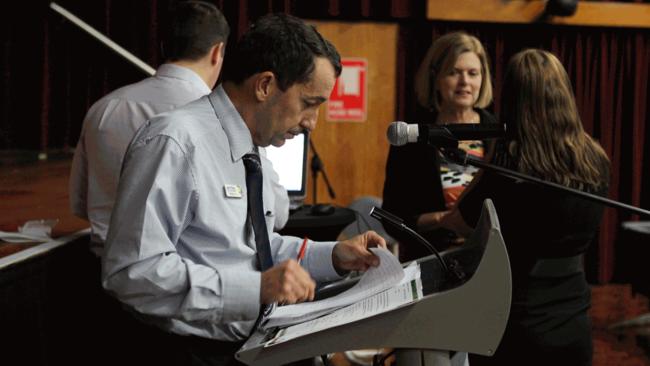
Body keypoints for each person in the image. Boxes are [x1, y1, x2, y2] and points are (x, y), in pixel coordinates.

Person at [102, 13, 386, 366]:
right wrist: (255, 289)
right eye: (309, 103)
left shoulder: (253, 150)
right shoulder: (175, 141)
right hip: (188, 352)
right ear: (265, 85)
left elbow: (254, 249)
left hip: (248, 346)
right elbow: (132, 273)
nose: (312, 123)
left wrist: (331, 256)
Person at [69, 2, 290, 256]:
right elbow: (277, 212)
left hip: (98, 274)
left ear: (164, 46)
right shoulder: (226, 119)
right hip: (188, 282)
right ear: (218, 52)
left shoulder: (103, 109)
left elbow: (80, 204)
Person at [439, 49, 610, 366]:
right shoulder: (595, 158)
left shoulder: (510, 166)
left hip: (512, 328)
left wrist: (490, 162)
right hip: (574, 323)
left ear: (512, 100)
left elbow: (459, 221)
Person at [382, 31, 496, 261]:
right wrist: (442, 220)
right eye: (454, 72)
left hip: (489, 259)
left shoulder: (496, 133)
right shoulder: (412, 136)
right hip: (431, 258)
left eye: (473, 73)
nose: (465, 82)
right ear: (435, 78)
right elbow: (391, 219)